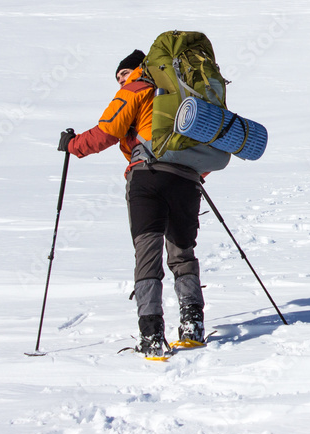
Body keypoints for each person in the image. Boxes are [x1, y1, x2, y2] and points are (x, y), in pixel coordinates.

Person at [57, 49, 206, 357]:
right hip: (187, 180)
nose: (120, 81)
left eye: (123, 74)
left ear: (139, 69)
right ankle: (193, 325)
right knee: (182, 252)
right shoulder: (183, 94)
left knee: (147, 253)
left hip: (147, 177)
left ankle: (152, 335)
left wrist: (73, 145)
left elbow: (107, 131)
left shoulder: (136, 88)